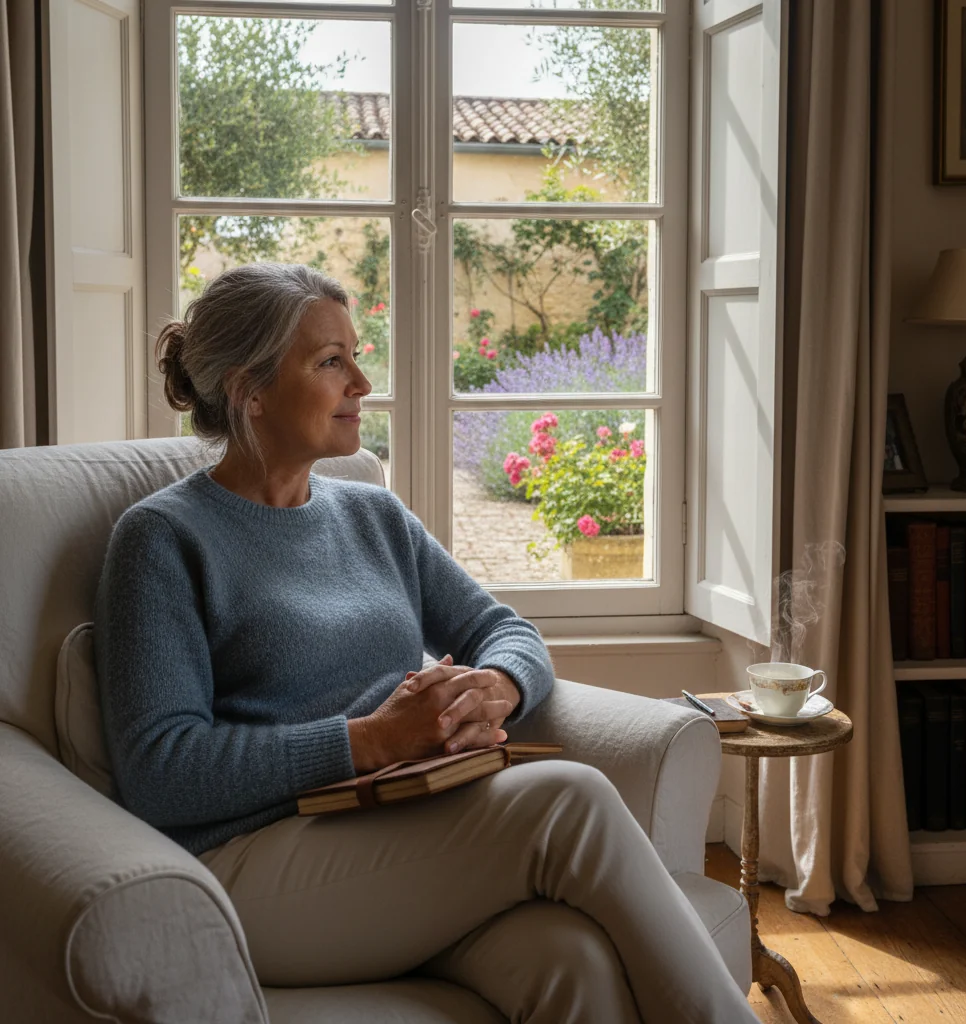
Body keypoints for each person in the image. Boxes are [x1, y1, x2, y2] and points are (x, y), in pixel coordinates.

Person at [93, 263, 760, 1024]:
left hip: (394, 832)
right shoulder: (164, 538)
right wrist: (371, 741)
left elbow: (503, 629)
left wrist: (500, 686)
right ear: (250, 391)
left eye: (354, 354)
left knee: (572, 965)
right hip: (251, 861)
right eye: (331, 361)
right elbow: (160, 769)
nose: (362, 383)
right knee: (566, 800)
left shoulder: (371, 515)